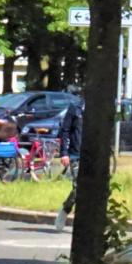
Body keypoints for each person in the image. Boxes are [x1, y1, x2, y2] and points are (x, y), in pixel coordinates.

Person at [55, 96, 84, 232]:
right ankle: (65, 210)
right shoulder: (75, 108)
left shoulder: (98, 111)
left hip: (91, 155)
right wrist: (64, 153)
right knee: (78, 187)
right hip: (75, 153)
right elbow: (65, 131)